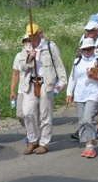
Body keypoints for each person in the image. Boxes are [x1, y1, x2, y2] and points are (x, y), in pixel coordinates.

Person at [20, 23, 68, 155]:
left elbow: (58, 64)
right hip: (31, 83)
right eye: (30, 35)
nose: (32, 37)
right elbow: (23, 68)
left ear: (39, 33)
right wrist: (30, 58)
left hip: (46, 83)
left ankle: (44, 142)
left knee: (45, 114)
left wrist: (62, 81)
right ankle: (33, 139)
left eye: (34, 34)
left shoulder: (50, 47)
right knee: (27, 113)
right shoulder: (26, 48)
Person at [65, 37, 98, 159]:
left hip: (93, 93)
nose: (87, 52)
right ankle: (87, 143)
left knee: (88, 118)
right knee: (82, 120)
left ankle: (90, 146)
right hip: (79, 94)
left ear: (94, 49)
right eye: (84, 50)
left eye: (89, 49)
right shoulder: (77, 62)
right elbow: (73, 78)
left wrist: (95, 77)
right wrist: (69, 93)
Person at [10, 34, 31, 129]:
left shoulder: (36, 54)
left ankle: (32, 134)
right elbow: (15, 74)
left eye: (29, 41)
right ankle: (29, 130)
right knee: (20, 114)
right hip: (21, 90)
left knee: (31, 113)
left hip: (32, 89)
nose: (27, 43)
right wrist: (12, 91)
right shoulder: (19, 56)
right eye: (25, 41)